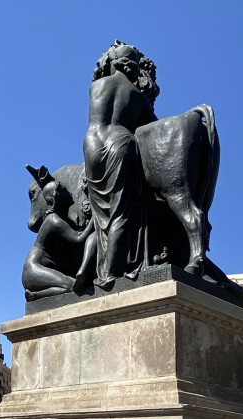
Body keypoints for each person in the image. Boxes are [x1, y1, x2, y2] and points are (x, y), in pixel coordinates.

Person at [83, 42, 157, 289]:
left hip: (91, 144)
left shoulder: (96, 86)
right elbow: (152, 130)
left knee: (100, 215)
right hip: (119, 141)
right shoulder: (137, 96)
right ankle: (110, 272)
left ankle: (98, 266)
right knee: (120, 211)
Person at [22, 175, 95, 300]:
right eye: (64, 190)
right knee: (70, 287)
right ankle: (34, 295)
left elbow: (79, 233)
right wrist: (95, 217)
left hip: (41, 269)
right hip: (34, 269)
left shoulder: (64, 220)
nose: (69, 193)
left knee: (76, 285)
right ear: (56, 198)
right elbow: (79, 240)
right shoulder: (54, 220)